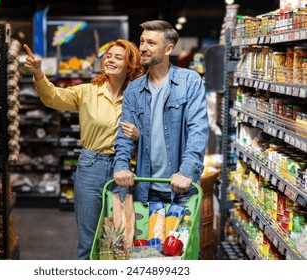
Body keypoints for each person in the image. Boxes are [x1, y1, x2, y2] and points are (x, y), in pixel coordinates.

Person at [23, 40, 144, 259]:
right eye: (108, 55)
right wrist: (39, 73)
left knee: (120, 238)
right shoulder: (88, 92)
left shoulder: (137, 97)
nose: (110, 59)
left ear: (130, 65)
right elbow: (53, 98)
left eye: (118, 57)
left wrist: (139, 136)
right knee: (88, 240)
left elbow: (153, 132)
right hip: (91, 166)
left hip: (124, 169)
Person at [113, 20, 209, 205]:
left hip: (182, 188)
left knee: (180, 236)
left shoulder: (189, 81)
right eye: (142, 41)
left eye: (151, 43)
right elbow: (124, 136)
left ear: (168, 49)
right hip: (146, 189)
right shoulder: (133, 90)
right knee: (146, 235)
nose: (143, 48)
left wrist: (186, 171)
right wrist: (121, 167)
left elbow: (198, 129)